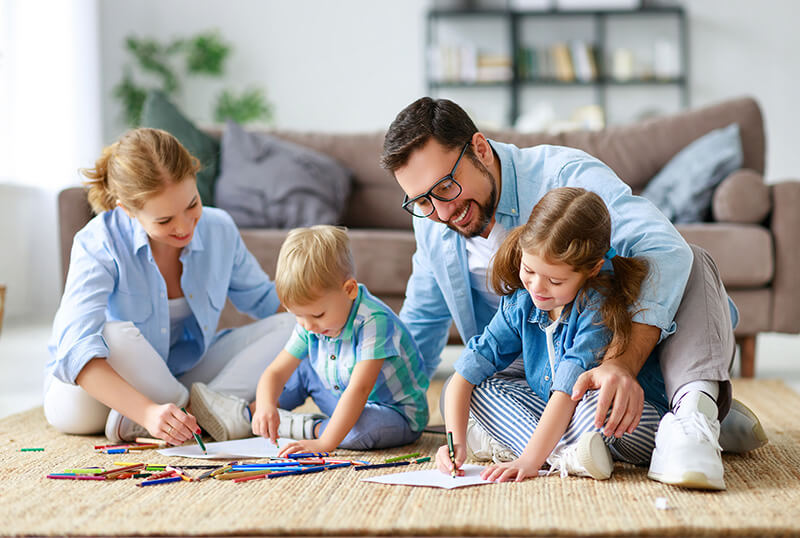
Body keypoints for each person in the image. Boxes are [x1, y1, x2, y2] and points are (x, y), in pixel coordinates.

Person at [381, 97, 767, 490]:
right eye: (422, 201)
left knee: (692, 258)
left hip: (602, 343)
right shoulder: (433, 223)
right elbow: (423, 322)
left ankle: (691, 412)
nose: (442, 213)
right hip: (529, 365)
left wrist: (621, 363)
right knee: (459, 392)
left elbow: (663, 249)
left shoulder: (564, 175)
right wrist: (378, 405)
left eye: (446, 187)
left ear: (479, 148)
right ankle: (661, 421)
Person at [45, 128, 295, 446]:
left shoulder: (219, 229)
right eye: (164, 221)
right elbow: (74, 351)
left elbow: (265, 299)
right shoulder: (99, 241)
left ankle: (193, 414)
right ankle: (182, 416)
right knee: (112, 334)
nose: (184, 226)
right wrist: (148, 412)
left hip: (177, 378)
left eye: (192, 205)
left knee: (292, 325)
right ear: (128, 211)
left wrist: (338, 312)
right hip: (89, 401)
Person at [438, 187, 670, 483]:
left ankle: (551, 454)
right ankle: (570, 456)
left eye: (555, 280)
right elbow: (466, 374)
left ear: (593, 269)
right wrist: (454, 443)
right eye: (529, 270)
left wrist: (529, 461)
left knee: (595, 406)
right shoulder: (520, 302)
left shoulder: (595, 304)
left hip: (617, 417)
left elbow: (567, 394)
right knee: (481, 390)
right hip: (561, 416)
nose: (537, 288)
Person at [189, 225, 429, 453]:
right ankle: (248, 416)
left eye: (317, 315)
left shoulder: (374, 321)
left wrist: (324, 443)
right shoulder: (309, 323)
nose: (308, 326)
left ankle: (305, 428)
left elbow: (359, 390)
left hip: (392, 414)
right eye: (298, 316)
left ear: (350, 290)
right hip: (338, 398)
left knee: (359, 432)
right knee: (302, 370)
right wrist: (265, 404)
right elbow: (275, 373)